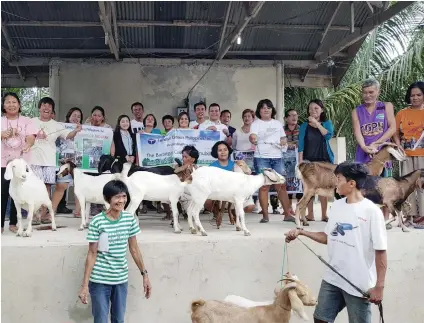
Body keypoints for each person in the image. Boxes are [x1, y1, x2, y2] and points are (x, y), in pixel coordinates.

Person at [285, 162, 387, 323]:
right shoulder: (337, 206)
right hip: (333, 278)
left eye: (338, 179)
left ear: (351, 183)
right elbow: (328, 237)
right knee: (320, 319)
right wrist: (301, 232)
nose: (335, 182)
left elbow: (381, 251)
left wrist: (379, 287)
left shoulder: (372, 211)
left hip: (358, 282)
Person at [78, 180, 151, 323]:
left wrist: (145, 275)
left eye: (124, 196)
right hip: (99, 280)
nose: (122, 200)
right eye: (117, 197)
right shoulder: (97, 222)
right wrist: (85, 285)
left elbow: (134, 249)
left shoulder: (129, 220)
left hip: (120, 280)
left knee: (119, 320)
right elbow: (92, 253)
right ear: (107, 199)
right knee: (101, 320)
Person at [30, 97, 82, 224]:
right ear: (39, 108)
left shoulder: (56, 125)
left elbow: (68, 136)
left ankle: (43, 214)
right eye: (44, 105)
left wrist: (75, 130)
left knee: (46, 188)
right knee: (35, 187)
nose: (46, 108)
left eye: (49, 106)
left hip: (49, 161)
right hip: (33, 160)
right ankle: (34, 215)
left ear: (52, 110)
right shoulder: (30, 122)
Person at [352, 79, 396, 227]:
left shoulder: (386, 106)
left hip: (383, 151)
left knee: (384, 186)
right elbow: (357, 131)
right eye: (365, 92)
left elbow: (392, 128)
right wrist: (364, 147)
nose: (368, 95)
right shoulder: (356, 111)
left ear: (378, 91)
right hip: (364, 153)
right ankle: (366, 218)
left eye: (371, 92)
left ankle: (385, 219)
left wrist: (378, 143)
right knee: (364, 186)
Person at [249, 99, 294, 223]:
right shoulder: (256, 124)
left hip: (277, 157)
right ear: (259, 110)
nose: (266, 109)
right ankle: (265, 215)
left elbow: (283, 137)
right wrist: (253, 138)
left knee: (281, 185)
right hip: (261, 157)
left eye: (268, 107)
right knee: (264, 187)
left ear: (272, 110)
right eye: (263, 107)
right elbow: (252, 136)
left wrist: (284, 141)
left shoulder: (278, 123)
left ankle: (287, 214)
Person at [1, 92, 38, 234]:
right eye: (8, 102)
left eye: (14, 101)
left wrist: (28, 144)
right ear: (3, 106)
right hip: (3, 162)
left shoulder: (27, 120)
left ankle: (14, 223)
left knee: (19, 193)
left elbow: (31, 137)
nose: (11, 104)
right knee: (2, 192)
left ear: (19, 104)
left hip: (22, 163)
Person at [393, 81, 424, 225]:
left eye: (419, 95)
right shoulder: (402, 113)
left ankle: (422, 216)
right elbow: (395, 132)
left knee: (422, 185)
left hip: (423, 155)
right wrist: (398, 145)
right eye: (412, 95)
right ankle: (409, 216)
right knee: (407, 186)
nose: (415, 98)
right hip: (406, 155)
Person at [298, 100, 334, 222]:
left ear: (322, 110)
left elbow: (328, 135)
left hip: (324, 160)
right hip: (309, 161)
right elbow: (301, 144)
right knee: (310, 188)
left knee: (324, 187)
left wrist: (317, 124)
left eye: (316, 108)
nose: (313, 111)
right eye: (310, 109)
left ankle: (324, 215)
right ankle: (310, 214)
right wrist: (300, 162)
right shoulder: (304, 126)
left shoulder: (327, 123)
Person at [207, 141, 255, 215]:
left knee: (250, 207)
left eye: (225, 150)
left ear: (229, 151)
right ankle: (217, 214)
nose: (223, 152)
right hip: (220, 194)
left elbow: (248, 175)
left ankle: (235, 212)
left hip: (235, 195)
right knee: (207, 203)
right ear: (216, 152)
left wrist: (244, 166)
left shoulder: (236, 164)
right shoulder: (212, 166)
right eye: (220, 150)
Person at [53, 107, 83, 217]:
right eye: (74, 115)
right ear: (68, 116)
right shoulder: (61, 128)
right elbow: (56, 145)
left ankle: (78, 211)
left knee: (80, 186)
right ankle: (52, 211)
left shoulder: (84, 130)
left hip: (79, 163)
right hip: (64, 162)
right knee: (61, 186)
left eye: (79, 116)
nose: (76, 118)